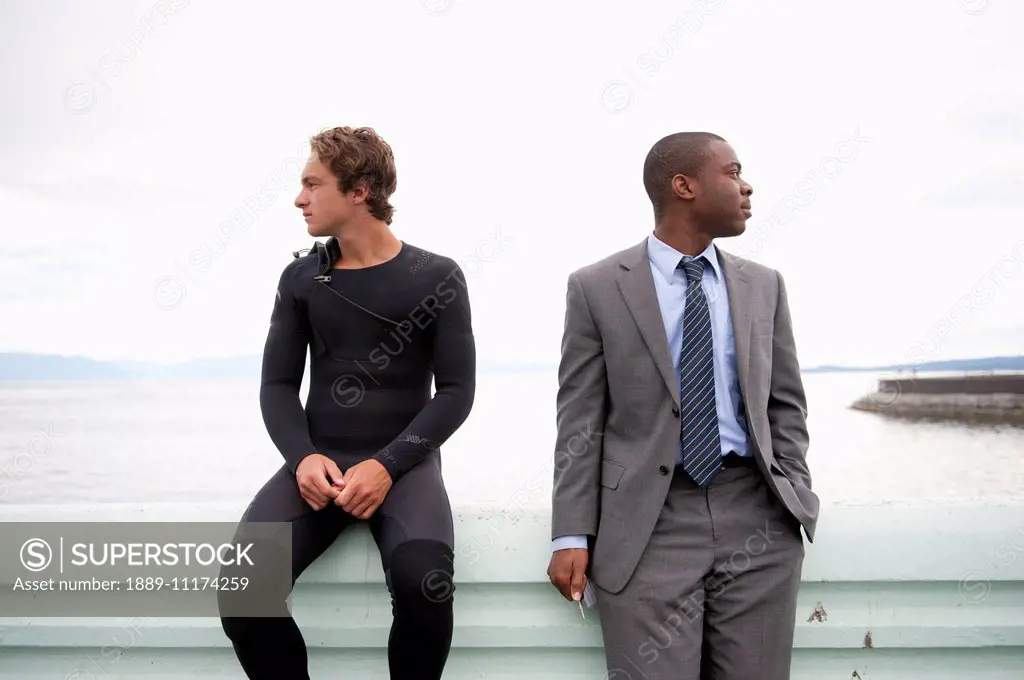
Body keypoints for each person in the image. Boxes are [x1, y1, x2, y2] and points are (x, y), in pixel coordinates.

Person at [547, 132, 819, 679]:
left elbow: (785, 403)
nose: (747, 187)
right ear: (684, 186)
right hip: (647, 525)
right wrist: (571, 533)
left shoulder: (763, 286)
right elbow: (580, 418)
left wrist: (794, 493)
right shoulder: (598, 287)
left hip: (757, 519)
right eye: (733, 172)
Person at [219, 126, 476, 680]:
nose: (298, 198)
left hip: (404, 469)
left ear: (359, 190)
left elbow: (456, 392)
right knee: (244, 585)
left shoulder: (436, 276)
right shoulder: (302, 279)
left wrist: (387, 466)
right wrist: (303, 458)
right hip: (319, 464)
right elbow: (278, 387)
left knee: (423, 585)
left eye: (313, 184)